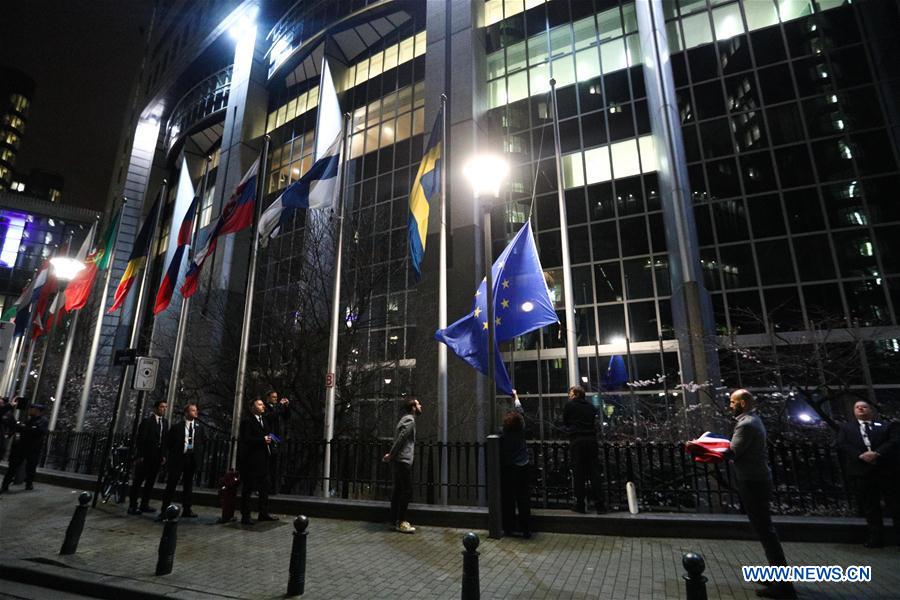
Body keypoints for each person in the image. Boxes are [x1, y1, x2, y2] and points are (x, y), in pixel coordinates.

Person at [725, 389, 796, 600]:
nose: (730, 405)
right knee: (765, 531)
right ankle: (778, 577)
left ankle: (783, 586)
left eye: (733, 401)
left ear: (744, 403)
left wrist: (700, 448)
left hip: (753, 481)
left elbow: (732, 451)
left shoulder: (746, 424)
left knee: (765, 532)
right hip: (757, 479)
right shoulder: (752, 420)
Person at [836, 399, 900, 548]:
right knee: (870, 506)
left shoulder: (886, 426)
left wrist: (877, 453)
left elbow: (894, 441)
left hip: (886, 470)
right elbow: (842, 444)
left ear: (870, 409)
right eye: (857, 407)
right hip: (862, 471)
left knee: (895, 505)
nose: (861, 409)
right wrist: (860, 455)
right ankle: (876, 538)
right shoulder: (847, 428)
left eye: (864, 407)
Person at [382, 397, 421, 534]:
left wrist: (392, 455)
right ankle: (402, 522)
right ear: (413, 408)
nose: (420, 406)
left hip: (399, 460)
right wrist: (391, 454)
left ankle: (393, 521)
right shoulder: (410, 420)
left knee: (398, 491)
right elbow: (402, 438)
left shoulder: (403, 419)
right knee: (407, 491)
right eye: (418, 404)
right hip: (403, 460)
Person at [562, 385, 602, 513]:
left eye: (571, 394)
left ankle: (580, 504)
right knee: (594, 472)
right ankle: (600, 504)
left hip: (577, 440)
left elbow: (566, 422)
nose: (569, 396)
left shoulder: (570, 406)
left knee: (578, 473)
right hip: (591, 439)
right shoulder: (591, 407)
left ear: (576, 394)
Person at [160, 403, 203, 519]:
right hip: (179, 458)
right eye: (193, 410)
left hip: (191, 459)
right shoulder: (177, 427)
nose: (195, 412)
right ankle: (164, 509)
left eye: (196, 410)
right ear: (187, 413)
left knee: (188, 485)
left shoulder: (199, 427)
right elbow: (169, 443)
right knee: (171, 484)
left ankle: (187, 509)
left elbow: (201, 442)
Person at [239, 398, 278, 525]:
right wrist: (262, 440)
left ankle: (263, 513)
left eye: (263, 405)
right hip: (251, 460)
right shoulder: (247, 421)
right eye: (260, 404)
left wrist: (271, 440)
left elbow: (268, 433)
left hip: (263, 458)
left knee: (264, 487)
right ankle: (246, 515)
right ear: (252, 407)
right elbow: (246, 438)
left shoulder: (264, 420)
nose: (263, 407)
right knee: (248, 488)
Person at [128, 400, 169, 515]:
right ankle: (133, 505)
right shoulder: (147, 422)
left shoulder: (165, 422)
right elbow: (141, 439)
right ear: (156, 408)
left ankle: (144, 504)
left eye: (165, 407)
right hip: (146, 456)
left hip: (157, 457)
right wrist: (140, 455)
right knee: (138, 481)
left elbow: (164, 440)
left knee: (150, 482)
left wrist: (164, 455)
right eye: (162, 407)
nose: (164, 409)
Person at [500, 390, 531, 538]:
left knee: (509, 499)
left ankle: (509, 528)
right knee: (523, 499)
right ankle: (526, 529)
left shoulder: (504, 434)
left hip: (509, 468)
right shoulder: (521, 429)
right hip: (523, 467)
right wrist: (516, 396)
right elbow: (520, 411)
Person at [0, 402, 48, 493]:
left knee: (30, 466)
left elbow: (36, 430)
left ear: (37, 410)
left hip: (33, 448)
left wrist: (24, 427)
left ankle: (28, 483)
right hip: (23, 447)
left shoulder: (42, 420)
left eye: (32, 409)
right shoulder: (30, 420)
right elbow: (21, 428)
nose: (30, 410)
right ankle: (5, 484)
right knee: (14, 466)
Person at [264, 391, 290, 493]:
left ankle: (273, 487)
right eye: (273, 397)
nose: (275, 399)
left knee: (276, 464)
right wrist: (280, 405)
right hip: (270, 436)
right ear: (268, 397)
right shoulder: (265, 407)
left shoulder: (277, 408)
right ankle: (266, 487)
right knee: (269, 463)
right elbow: (271, 416)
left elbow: (287, 417)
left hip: (277, 437)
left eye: (276, 397)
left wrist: (286, 407)